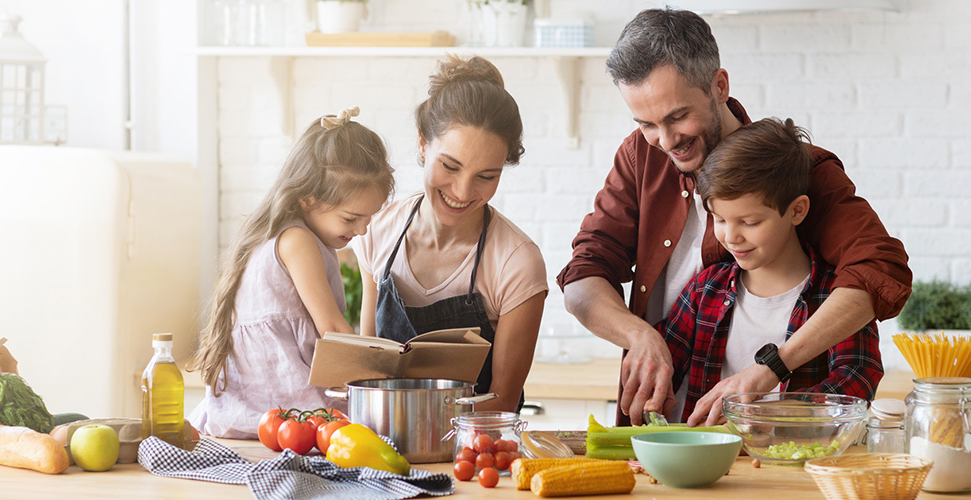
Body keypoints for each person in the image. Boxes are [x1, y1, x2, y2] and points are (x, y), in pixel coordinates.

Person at [556, 8, 911, 426]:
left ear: (719, 85)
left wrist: (771, 372)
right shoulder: (641, 155)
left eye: (677, 117)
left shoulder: (797, 170)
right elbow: (582, 277)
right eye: (646, 123)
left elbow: (880, 269)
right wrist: (639, 336)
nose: (665, 141)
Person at [354, 55, 548, 413]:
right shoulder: (376, 231)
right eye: (450, 166)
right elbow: (369, 373)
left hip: (474, 453)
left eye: (486, 177)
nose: (462, 191)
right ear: (423, 144)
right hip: (383, 447)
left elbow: (502, 402)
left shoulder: (517, 262)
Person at [661, 117, 884, 426]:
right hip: (708, 463)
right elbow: (664, 367)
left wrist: (766, 416)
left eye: (750, 222)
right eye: (720, 219)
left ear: (797, 210)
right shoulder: (704, 290)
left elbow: (856, 382)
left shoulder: (837, 298)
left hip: (795, 465)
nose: (731, 237)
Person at [189, 107, 394, 438]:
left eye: (368, 219)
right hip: (282, 402)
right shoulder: (297, 240)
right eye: (351, 219)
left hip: (259, 405)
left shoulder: (290, 233)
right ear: (308, 199)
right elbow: (331, 328)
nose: (362, 230)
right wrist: (377, 377)